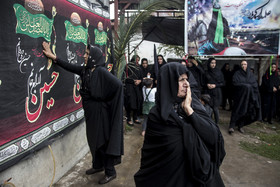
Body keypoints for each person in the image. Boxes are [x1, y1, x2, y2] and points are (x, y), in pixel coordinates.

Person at [42, 42, 123, 185]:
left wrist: (106, 101)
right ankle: (98, 166)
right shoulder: (86, 70)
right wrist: (53, 57)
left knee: (102, 141)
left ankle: (110, 172)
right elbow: (69, 66)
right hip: (91, 113)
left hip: (100, 114)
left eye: (87, 54)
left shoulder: (101, 71)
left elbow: (118, 85)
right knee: (93, 140)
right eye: (85, 53)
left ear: (93, 57)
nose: (84, 56)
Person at [134, 62, 225, 187]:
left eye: (187, 79)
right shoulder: (157, 115)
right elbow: (151, 156)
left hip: (196, 179)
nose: (186, 84)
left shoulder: (194, 105)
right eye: (181, 80)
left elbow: (214, 137)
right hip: (169, 179)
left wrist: (189, 111)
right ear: (168, 82)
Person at [228, 60, 262, 134]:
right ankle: (231, 126)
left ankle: (240, 126)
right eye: (242, 64)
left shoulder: (250, 74)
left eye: (245, 64)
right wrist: (245, 86)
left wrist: (248, 87)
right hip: (239, 97)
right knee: (236, 111)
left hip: (249, 98)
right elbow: (235, 83)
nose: (244, 66)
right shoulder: (237, 74)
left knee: (245, 111)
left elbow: (254, 85)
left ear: (247, 65)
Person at [124, 55, 143, 125]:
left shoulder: (139, 68)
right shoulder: (127, 67)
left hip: (137, 88)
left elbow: (141, 78)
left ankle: (135, 118)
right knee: (130, 103)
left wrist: (140, 81)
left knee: (137, 102)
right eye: (136, 60)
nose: (137, 61)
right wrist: (133, 81)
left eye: (138, 60)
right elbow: (125, 78)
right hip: (129, 88)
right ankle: (129, 119)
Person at [205, 58, 224, 124]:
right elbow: (203, 82)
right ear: (209, 63)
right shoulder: (206, 72)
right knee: (208, 108)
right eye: (212, 63)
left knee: (215, 108)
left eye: (214, 63)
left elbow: (223, 83)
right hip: (209, 92)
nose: (213, 64)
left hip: (216, 92)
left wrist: (215, 85)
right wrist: (207, 84)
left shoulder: (219, 72)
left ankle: (216, 123)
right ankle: (209, 123)